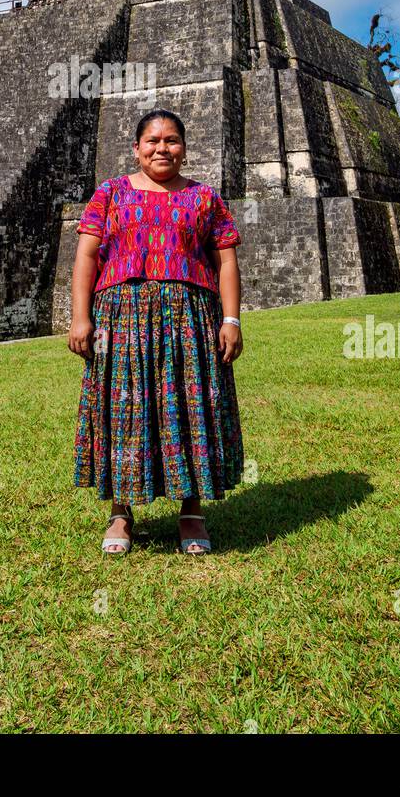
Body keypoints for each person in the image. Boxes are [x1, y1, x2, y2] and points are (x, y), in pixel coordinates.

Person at [69, 108, 244, 557]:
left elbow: (226, 261)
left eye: (171, 140)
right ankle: (122, 513)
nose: (162, 148)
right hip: (121, 316)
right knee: (126, 409)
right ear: (137, 148)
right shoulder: (110, 193)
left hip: (189, 317)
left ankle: (191, 511)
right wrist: (80, 317)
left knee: (189, 407)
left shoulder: (205, 199)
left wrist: (231, 319)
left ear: (184, 148)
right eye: (152, 141)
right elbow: (87, 257)